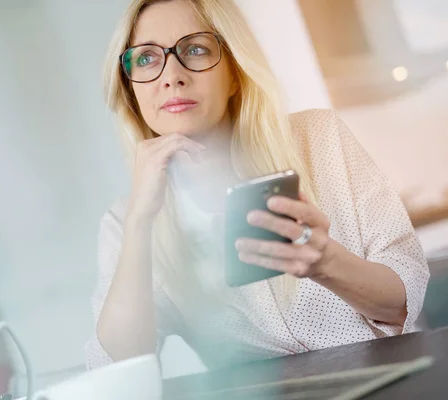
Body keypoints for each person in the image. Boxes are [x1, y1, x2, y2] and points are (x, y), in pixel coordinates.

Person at [85, 0, 430, 370]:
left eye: (196, 49)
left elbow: (402, 299)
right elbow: (120, 363)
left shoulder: (321, 138)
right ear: (130, 85)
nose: (172, 76)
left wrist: (326, 262)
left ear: (234, 72)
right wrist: (140, 224)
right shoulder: (125, 222)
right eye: (147, 59)